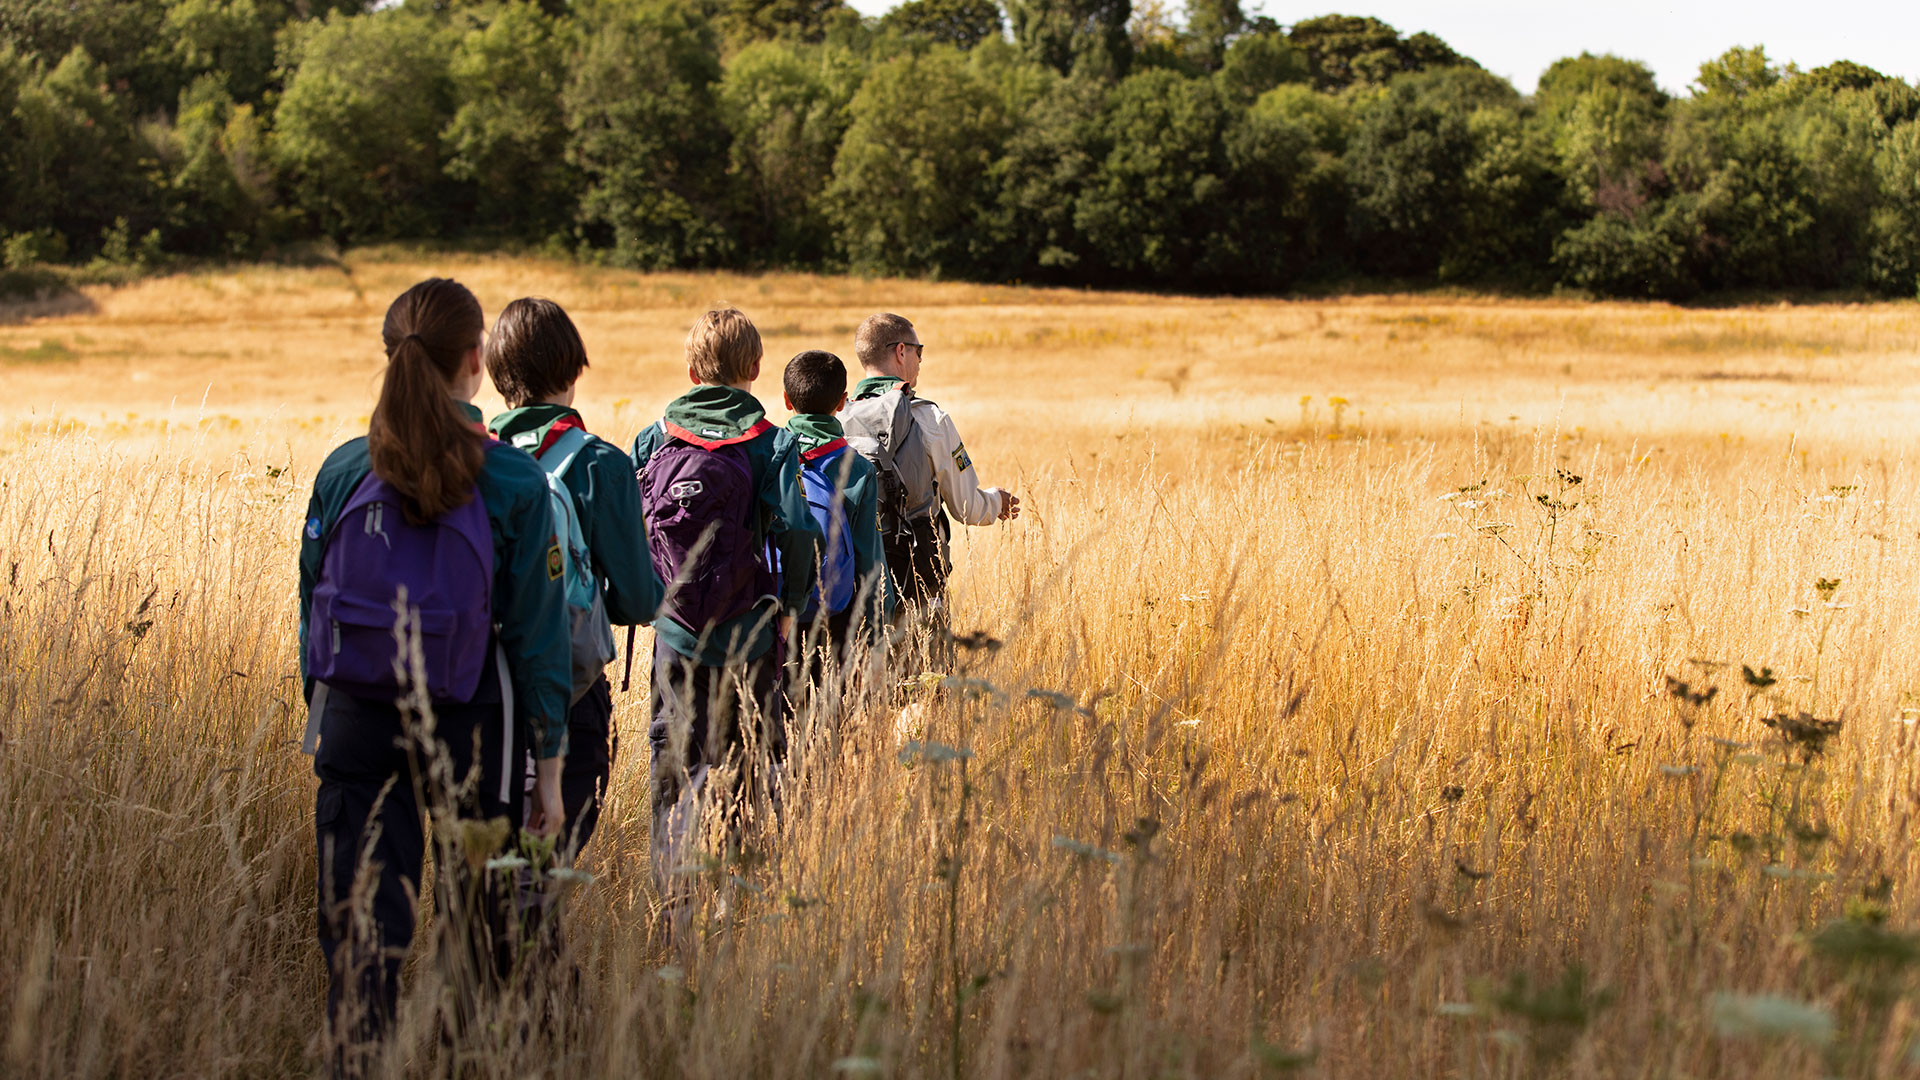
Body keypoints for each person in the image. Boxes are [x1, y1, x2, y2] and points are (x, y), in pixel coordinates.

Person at [298, 278, 570, 1072]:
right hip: (471, 720)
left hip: (355, 714)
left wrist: (327, 711)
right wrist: (547, 772)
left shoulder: (345, 469)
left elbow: (313, 606)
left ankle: (360, 1059)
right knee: (477, 926)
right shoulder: (515, 482)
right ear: (475, 361)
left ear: (392, 358)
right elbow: (538, 641)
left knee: (360, 925)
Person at [630, 307, 820, 924]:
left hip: (675, 634)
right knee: (750, 759)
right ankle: (737, 902)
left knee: (674, 765)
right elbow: (794, 532)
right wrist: (791, 607)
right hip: (750, 631)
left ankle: (673, 906)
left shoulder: (655, 438)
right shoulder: (772, 440)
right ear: (757, 369)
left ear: (691, 370)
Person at [485, 296, 662, 858]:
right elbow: (637, 599)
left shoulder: (464, 458)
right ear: (571, 370)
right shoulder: (599, 463)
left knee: (476, 874)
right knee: (546, 871)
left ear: (495, 373)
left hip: (472, 687)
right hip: (569, 687)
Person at [838, 313, 1018, 650]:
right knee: (926, 683)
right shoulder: (929, 418)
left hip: (854, 579)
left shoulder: (838, 416)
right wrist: (997, 501)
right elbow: (967, 507)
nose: (920, 361)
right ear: (901, 351)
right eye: (919, 351)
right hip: (918, 575)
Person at [780, 349, 892, 712]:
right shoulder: (856, 468)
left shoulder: (771, 455)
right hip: (835, 616)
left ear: (786, 400)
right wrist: (878, 633)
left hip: (775, 612)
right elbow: (869, 560)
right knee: (830, 724)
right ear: (843, 402)